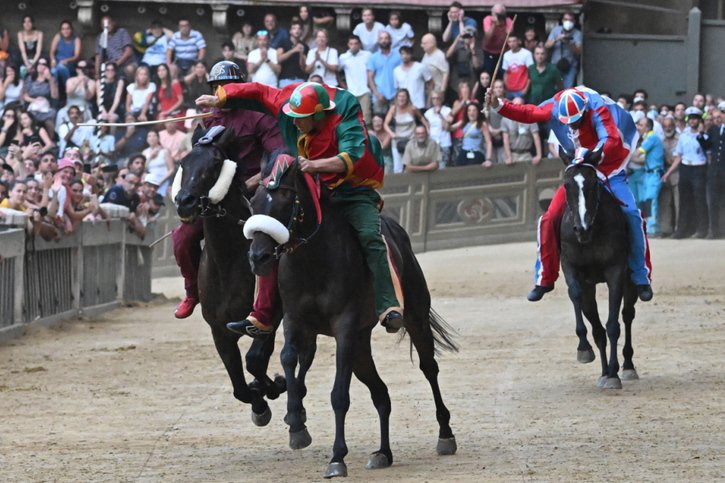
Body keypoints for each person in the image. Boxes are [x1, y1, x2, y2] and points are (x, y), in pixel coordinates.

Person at [197, 81, 404, 335]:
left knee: (370, 236)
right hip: (312, 181)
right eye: (292, 116)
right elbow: (258, 92)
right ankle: (262, 315)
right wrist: (222, 97)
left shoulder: (347, 112)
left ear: (318, 115)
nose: (294, 123)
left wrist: (313, 166)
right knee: (271, 230)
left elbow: (351, 156)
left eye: (301, 119)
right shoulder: (288, 103)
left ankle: (388, 305)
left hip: (352, 189)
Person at [486, 85, 653, 302]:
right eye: (568, 123)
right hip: (579, 170)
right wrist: (498, 105)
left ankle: (641, 277)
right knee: (549, 218)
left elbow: (611, 139)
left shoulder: (597, 108)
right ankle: (544, 278)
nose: (572, 126)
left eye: (576, 122)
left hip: (607, 168)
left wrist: (590, 154)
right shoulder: (555, 105)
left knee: (632, 215)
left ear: (585, 112)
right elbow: (528, 113)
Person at [171, 60, 284, 320]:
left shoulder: (259, 117)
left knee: (274, 237)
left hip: (252, 189)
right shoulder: (208, 119)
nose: (223, 90)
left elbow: (277, 156)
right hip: (214, 194)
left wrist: (256, 182)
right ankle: (192, 292)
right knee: (182, 238)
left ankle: (282, 297)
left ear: (241, 88)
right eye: (218, 86)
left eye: (229, 86)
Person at [662, 106, 709, 239]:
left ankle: (701, 229)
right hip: (686, 168)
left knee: (699, 200)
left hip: (699, 168)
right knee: (684, 200)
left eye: (695, 119)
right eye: (691, 119)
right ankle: (682, 230)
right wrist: (668, 173)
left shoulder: (704, 136)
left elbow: (708, 152)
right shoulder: (684, 136)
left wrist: (701, 134)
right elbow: (679, 156)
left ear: (700, 121)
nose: (693, 121)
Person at [631, 116, 664, 235]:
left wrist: (628, 156)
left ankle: (653, 228)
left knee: (651, 200)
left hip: (654, 173)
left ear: (648, 127)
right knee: (647, 200)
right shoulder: (649, 138)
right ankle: (650, 227)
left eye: (641, 125)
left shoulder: (652, 138)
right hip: (649, 173)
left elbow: (636, 154)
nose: (638, 127)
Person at [383, 88, 428, 173]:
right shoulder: (393, 109)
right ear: (397, 98)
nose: (401, 98)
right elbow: (385, 124)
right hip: (397, 139)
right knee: (397, 167)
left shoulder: (413, 108)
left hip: (411, 139)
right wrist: (391, 133)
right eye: (400, 96)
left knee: (412, 165)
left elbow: (421, 118)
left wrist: (427, 128)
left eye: (404, 96)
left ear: (407, 98)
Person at [338, 35, 372, 125]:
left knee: (366, 119)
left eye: (356, 43)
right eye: (351, 44)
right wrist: (342, 85)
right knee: (351, 118)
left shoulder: (367, 55)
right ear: (348, 45)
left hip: (364, 91)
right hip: (351, 92)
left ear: (360, 44)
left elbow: (372, 71)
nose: (354, 45)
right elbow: (336, 71)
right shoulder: (343, 57)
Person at [366, 31, 402, 117]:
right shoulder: (373, 57)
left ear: (390, 40)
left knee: (395, 122)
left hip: (396, 95)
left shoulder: (398, 55)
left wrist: (399, 93)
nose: (384, 40)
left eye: (386, 38)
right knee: (378, 121)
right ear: (378, 41)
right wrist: (377, 94)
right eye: (381, 38)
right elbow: (370, 77)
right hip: (379, 95)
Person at [545, 11, 582, 89]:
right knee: (554, 89)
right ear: (562, 20)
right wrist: (557, 39)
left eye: (570, 20)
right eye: (566, 19)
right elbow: (547, 45)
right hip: (555, 65)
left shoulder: (577, 33)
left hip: (570, 66)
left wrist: (569, 43)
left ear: (574, 22)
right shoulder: (556, 30)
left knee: (567, 90)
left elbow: (579, 52)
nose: (568, 22)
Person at [501, 96, 542, 165]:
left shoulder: (531, 118)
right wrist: (509, 157)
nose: (517, 107)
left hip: (526, 154)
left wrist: (539, 155)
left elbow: (536, 137)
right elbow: (505, 140)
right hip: (512, 153)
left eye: (519, 105)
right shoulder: (505, 119)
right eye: (515, 105)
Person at [94, 16, 135, 81]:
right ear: (101, 26)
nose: (107, 26)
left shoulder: (122, 32)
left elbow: (128, 52)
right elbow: (98, 56)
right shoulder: (100, 37)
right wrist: (97, 73)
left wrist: (116, 64)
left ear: (113, 23)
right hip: (111, 64)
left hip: (126, 63)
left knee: (129, 69)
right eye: (104, 25)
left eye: (109, 23)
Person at [451, 102, 492, 166]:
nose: (471, 113)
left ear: (478, 112)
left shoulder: (482, 124)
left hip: (476, 153)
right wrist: (444, 117)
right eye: (469, 110)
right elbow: (450, 128)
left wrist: (488, 159)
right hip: (464, 152)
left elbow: (488, 142)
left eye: (474, 110)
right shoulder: (463, 122)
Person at [705, 104, 724, 238]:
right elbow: (708, 146)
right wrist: (702, 135)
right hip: (714, 172)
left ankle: (722, 230)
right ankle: (714, 230)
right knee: (713, 202)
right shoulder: (714, 130)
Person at [49, 20, 81, 98]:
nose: (65, 31)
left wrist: (67, 60)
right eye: (63, 29)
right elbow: (51, 51)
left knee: (60, 67)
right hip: (57, 63)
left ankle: (67, 91)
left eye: (67, 28)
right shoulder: (58, 37)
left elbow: (77, 56)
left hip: (69, 64)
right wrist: (53, 60)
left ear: (71, 29)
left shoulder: (76, 40)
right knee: (53, 71)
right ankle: (56, 95)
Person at [393, 46, 432, 111]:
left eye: (407, 53)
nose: (405, 56)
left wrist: (429, 101)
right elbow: (397, 89)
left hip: (419, 105)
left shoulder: (420, 67)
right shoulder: (396, 70)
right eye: (402, 54)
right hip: (404, 106)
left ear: (411, 54)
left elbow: (431, 83)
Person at [481, 3, 513, 79]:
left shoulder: (508, 21)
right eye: (496, 14)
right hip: (489, 51)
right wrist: (494, 24)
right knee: (488, 72)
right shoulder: (487, 19)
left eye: (500, 14)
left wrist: (501, 26)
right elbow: (488, 37)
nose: (498, 16)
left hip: (503, 51)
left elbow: (507, 39)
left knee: (502, 72)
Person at [424, 91, 452, 168]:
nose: (435, 101)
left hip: (444, 142)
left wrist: (440, 114)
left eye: (437, 98)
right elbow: (427, 128)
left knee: (443, 166)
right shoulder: (428, 113)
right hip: (433, 143)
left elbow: (446, 127)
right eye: (433, 99)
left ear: (441, 99)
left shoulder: (447, 110)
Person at [277, 21, 308, 88]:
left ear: (301, 31)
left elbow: (303, 67)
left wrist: (301, 53)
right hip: (285, 80)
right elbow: (278, 59)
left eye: (299, 28)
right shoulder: (283, 42)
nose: (297, 30)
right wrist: (293, 51)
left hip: (300, 80)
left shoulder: (304, 46)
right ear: (290, 31)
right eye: (294, 28)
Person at [142, 130, 174, 196]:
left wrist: (160, 182)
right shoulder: (145, 152)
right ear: (147, 139)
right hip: (150, 180)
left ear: (158, 138)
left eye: (154, 136)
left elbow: (171, 169)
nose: (152, 138)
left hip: (163, 180)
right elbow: (143, 169)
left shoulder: (165, 151)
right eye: (149, 136)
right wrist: (150, 157)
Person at [501, 34, 533, 100]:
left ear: (519, 41)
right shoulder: (506, 55)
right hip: (509, 90)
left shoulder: (526, 53)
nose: (511, 43)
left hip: (521, 90)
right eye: (509, 42)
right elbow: (505, 73)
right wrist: (506, 87)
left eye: (514, 41)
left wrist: (525, 90)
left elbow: (531, 73)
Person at [421, 34, 449, 105]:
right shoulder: (426, 54)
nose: (422, 45)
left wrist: (442, 93)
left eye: (424, 43)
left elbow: (445, 74)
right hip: (426, 91)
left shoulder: (440, 56)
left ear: (432, 43)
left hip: (436, 94)